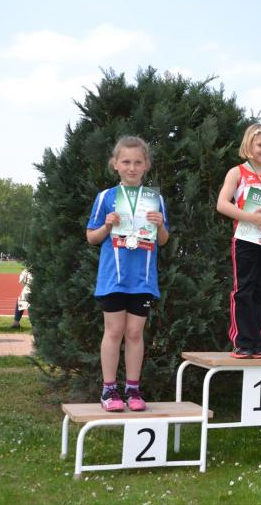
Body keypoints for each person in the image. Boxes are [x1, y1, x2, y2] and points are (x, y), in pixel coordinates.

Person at [87, 136, 169, 412]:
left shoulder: (155, 199)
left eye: (137, 162)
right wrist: (107, 226)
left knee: (135, 333)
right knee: (114, 331)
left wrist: (160, 226)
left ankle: (133, 389)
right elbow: (91, 237)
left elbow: (163, 240)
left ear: (146, 165)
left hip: (142, 279)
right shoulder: (105, 197)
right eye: (126, 162)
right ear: (115, 164)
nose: (131, 167)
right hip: (113, 277)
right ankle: (109, 389)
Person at [217, 123, 261, 358]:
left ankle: (257, 341)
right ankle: (242, 341)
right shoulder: (237, 172)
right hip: (245, 239)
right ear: (248, 145)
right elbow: (222, 204)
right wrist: (249, 217)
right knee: (244, 290)